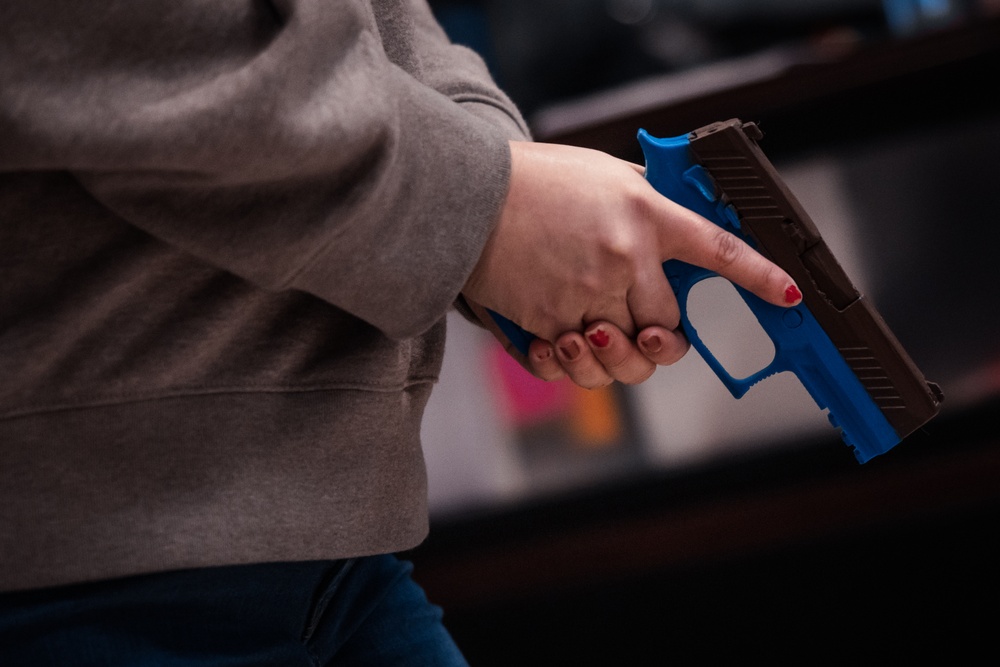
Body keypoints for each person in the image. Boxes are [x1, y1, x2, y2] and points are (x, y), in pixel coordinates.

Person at [0, 0, 801, 664]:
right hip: (91, 561)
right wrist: (488, 208)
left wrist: (498, 190)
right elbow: (133, 40)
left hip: (341, 553)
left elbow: (381, 19)